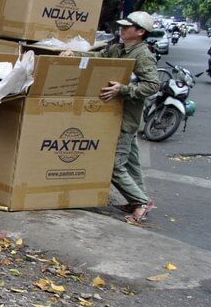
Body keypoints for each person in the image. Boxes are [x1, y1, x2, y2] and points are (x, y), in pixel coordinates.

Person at [64, 11, 159, 224]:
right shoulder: (118, 48)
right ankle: (138, 200)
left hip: (126, 117)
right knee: (132, 163)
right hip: (117, 115)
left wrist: (123, 89)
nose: (122, 29)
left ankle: (140, 203)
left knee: (115, 165)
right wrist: (76, 55)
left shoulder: (142, 54)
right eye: (122, 26)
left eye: (127, 27)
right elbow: (99, 58)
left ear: (140, 32)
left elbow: (153, 85)